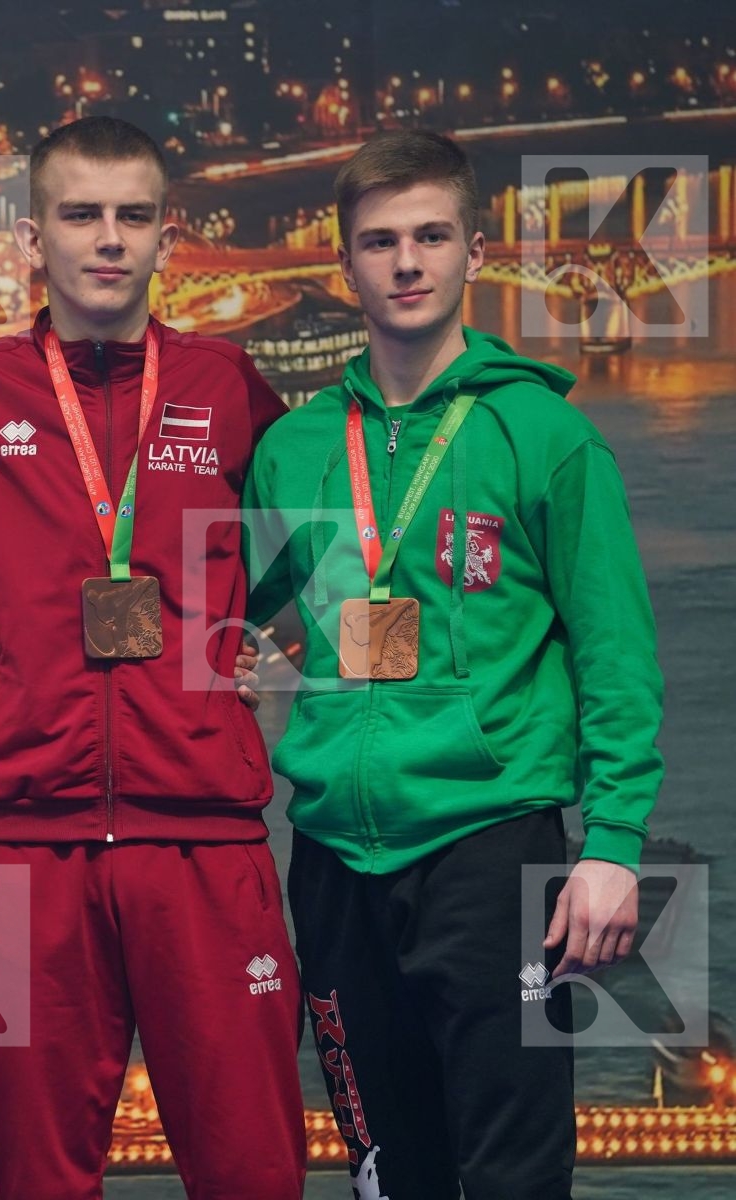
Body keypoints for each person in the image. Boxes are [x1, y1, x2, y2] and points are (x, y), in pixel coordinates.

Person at [243, 129, 663, 1199]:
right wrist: (261, 663)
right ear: (343, 267)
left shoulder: (542, 433)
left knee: (513, 1175)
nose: (405, 261)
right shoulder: (291, 449)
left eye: (430, 235)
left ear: (475, 251)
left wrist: (610, 845)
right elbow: (276, 621)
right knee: (385, 1174)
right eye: (378, 241)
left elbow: (614, 653)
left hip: (492, 852)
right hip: (334, 857)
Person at [0, 116, 306, 1199]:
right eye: (79, 215)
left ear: (165, 237)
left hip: (203, 843)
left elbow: (298, 570)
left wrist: (239, 651)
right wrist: (18, 670)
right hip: (24, 855)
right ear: (32, 239)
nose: (107, 240)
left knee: (251, 1172)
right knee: (36, 1180)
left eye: (131, 217)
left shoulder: (229, 386)